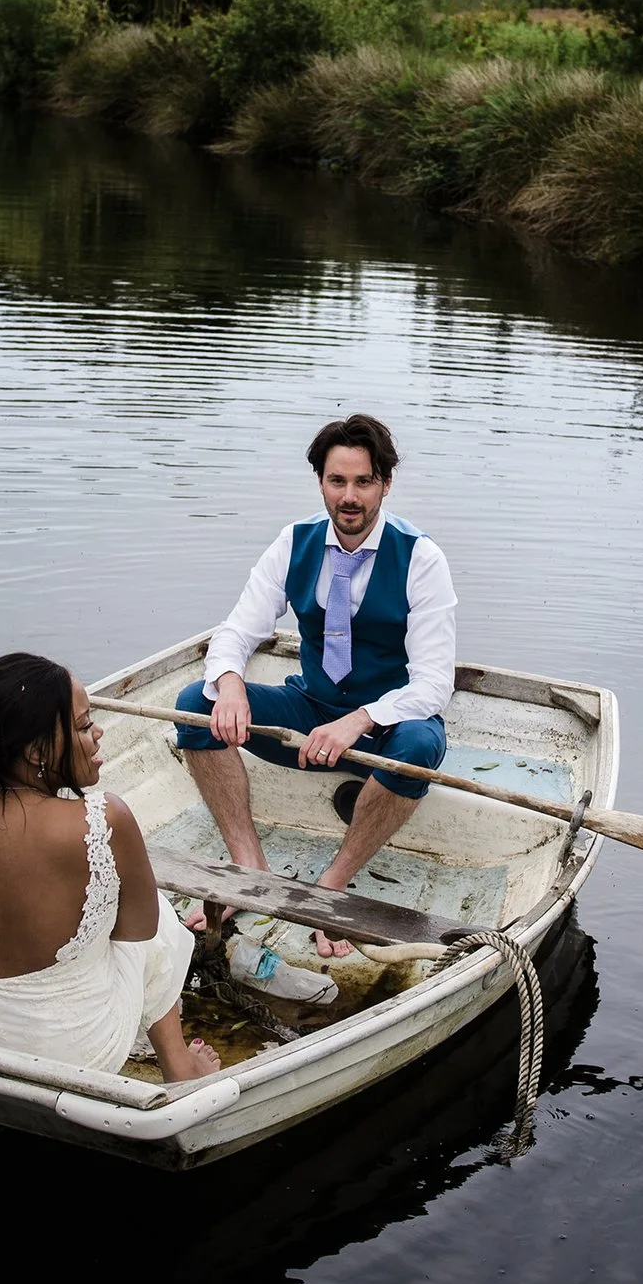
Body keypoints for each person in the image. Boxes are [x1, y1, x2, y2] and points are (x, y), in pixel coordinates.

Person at [175, 413, 456, 973]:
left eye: (363, 482)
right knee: (195, 705)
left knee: (422, 748)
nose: (349, 497)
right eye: (337, 481)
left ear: (385, 483)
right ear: (321, 482)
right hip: (307, 710)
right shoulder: (294, 542)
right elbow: (236, 630)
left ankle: (333, 885)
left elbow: (433, 684)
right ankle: (249, 867)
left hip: (384, 726)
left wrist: (358, 721)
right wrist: (229, 682)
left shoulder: (421, 558)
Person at [0, 651, 220, 1081]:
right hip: (69, 1051)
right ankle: (180, 1067)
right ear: (36, 750)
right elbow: (137, 932)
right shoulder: (105, 819)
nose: (98, 733)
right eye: (82, 726)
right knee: (162, 920)